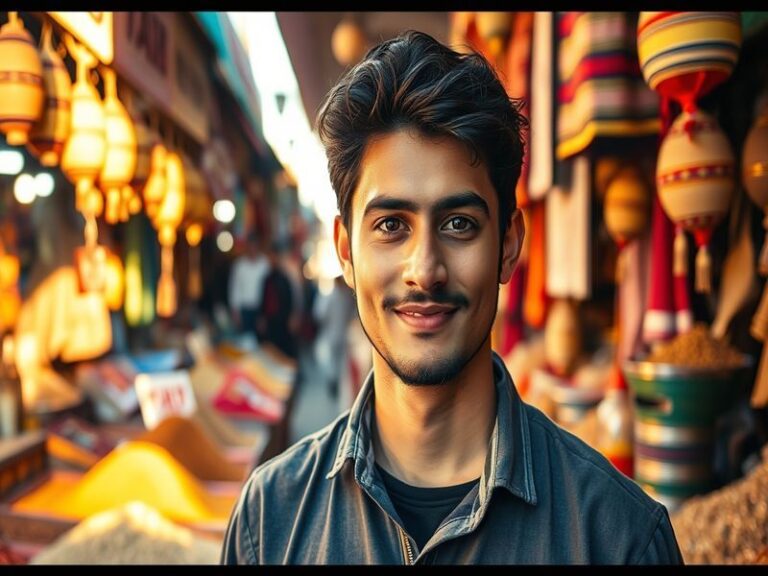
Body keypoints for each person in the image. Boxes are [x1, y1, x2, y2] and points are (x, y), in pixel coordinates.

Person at [221, 30, 683, 565]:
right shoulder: (269, 520)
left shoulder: (618, 537)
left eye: (459, 223)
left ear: (509, 245)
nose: (425, 270)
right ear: (345, 251)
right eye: (391, 225)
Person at [255, 241, 297, 361]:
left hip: (282, 320)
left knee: (284, 349)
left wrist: (292, 317)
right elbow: (263, 300)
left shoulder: (284, 278)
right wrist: (261, 317)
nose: (272, 259)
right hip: (270, 320)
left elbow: (290, 299)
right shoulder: (266, 279)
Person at [227, 233, 270, 342]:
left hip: (260, 308)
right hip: (244, 309)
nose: (252, 249)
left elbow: (269, 290)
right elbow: (234, 288)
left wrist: (265, 313)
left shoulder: (264, 264)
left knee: (260, 341)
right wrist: (235, 310)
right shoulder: (239, 265)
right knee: (245, 340)